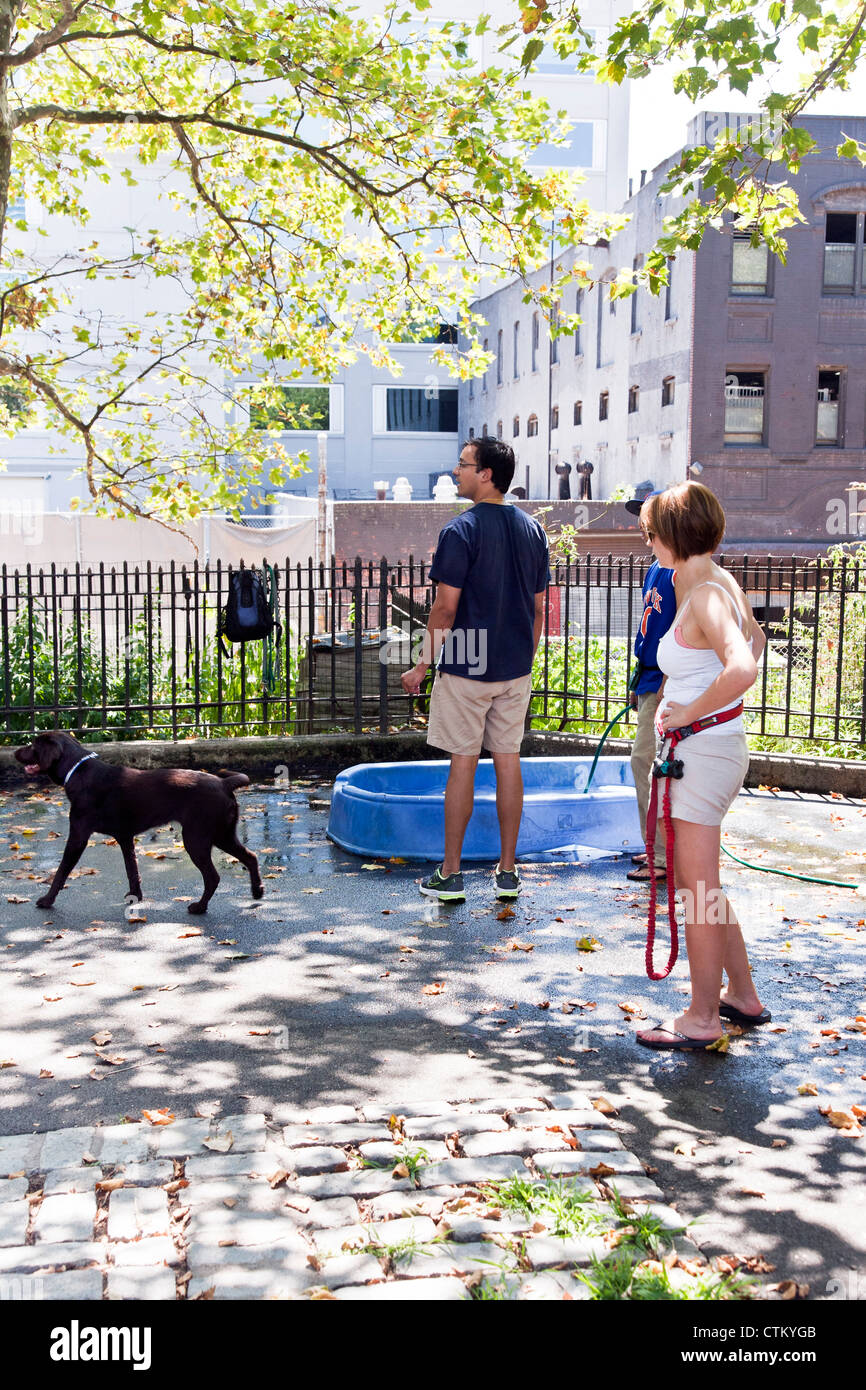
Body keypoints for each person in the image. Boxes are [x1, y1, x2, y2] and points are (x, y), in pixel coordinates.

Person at [633, 481, 769, 1051]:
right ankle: (741, 995)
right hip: (709, 748)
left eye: (651, 535)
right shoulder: (717, 582)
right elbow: (757, 640)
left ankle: (702, 1017)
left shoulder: (708, 594)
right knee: (701, 884)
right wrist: (698, 705)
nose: (649, 545)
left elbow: (744, 667)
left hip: (701, 753)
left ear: (667, 538)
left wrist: (690, 710)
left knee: (698, 892)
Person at [401, 437, 550, 903]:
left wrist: (422, 665)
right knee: (508, 760)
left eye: (463, 465)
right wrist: (526, 657)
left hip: (467, 664)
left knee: (462, 763)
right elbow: (540, 607)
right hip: (514, 666)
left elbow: (445, 610)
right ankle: (507, 873)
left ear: (486, 474)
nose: (456, 472)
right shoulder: (533, 531)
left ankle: (451, 874)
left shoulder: (459, 530)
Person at [624, 490, 676, 882]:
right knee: (645, 762)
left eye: (648, 518)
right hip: (649, 679)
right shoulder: (654, 567)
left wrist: (667, 682)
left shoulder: (680, 571)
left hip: (664, 683)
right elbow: (649, 629)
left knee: (647, 761)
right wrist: (638, 679)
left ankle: (661, 856)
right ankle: (655, 851)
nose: (643, 527)